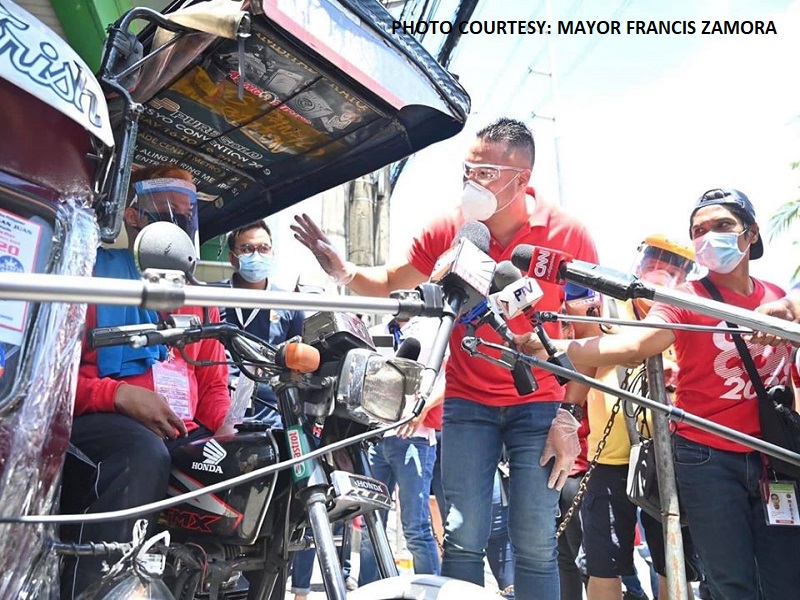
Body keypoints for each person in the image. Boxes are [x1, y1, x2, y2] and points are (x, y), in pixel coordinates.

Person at [291, 117, 600, 598]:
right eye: (466, 169)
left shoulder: (569, 235)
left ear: (522, 179)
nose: (470, 182)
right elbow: (391, 278)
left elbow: (587, 335)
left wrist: (569, 414)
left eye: (485, 172)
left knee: (536, 540)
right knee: (462, 535)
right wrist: (345, 269)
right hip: (467, 402)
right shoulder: (449, 227)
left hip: (540, 402)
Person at [515, 188, 800, 600]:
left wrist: (789, 308)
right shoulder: (684, 299)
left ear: (751, 234)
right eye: (699, 231)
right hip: (708, 459)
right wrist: (559, 348)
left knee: (787, 580)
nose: (709, 237)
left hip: (775, 460)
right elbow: (631, 347)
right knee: (729, 582)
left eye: (722, 226)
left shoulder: (777, 296)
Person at [62, 165, 232, 598]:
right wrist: (119, 395)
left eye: (186, 211)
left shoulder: (199, 298)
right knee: (141, 451)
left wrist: (228, 429)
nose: (178, 219)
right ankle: (99, 588)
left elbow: (212, 383)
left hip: (181, 431)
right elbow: (52, 381)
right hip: (96, 424)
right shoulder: (91, 275)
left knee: (250, 464)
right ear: (132, 215)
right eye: (165, 208)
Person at [358, 316, 441, 585]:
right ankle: (368, 590)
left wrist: (423, 408)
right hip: (376, 436)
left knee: (415, 527)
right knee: (372, 526)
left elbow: (448, 376)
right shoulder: (374, 331)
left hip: (415, 436)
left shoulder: (433, 327)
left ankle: (429, 590)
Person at [220, 219, 304, 427]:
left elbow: (302, 363)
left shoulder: (289, 304)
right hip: (216, 416)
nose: (256, 255)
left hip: (272, 419)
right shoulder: (211, 298)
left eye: (263, 248)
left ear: (272, 254)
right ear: (233, 257)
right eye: (247, 249)